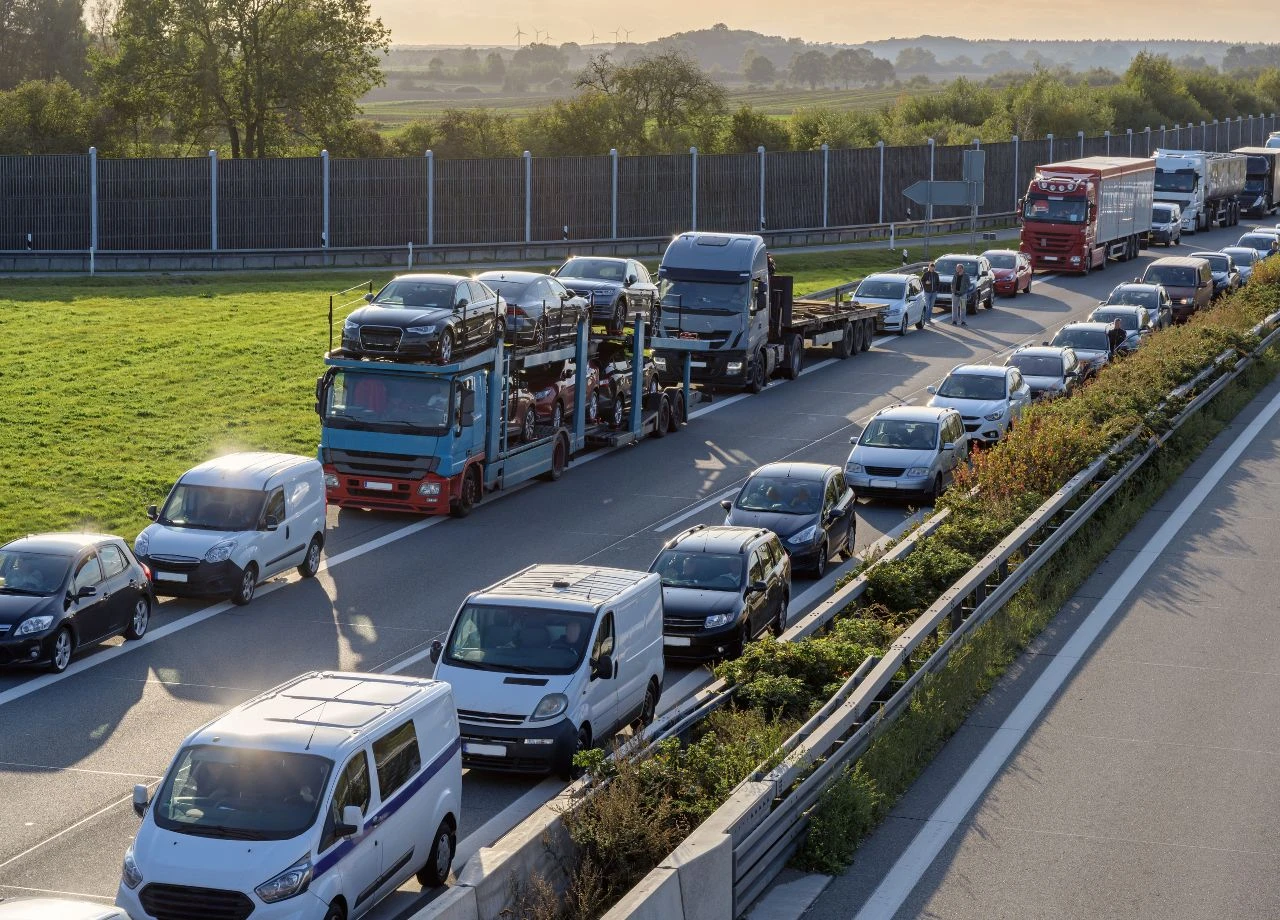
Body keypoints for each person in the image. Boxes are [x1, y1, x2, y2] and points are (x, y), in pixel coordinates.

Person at [920, 263, 939, 327]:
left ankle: (929, 317)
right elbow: (921, 281)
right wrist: (926, 282)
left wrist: (937, 290)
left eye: (933, 267)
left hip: (934, 292)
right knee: (927, 305)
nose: (932, 268)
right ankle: (926, 319)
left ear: (934, 268)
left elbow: (938, 283)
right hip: (927, 292)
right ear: (929, 267)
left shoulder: (936, 274)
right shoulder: (925, 274)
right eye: (931, 267)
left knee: (931, 306)